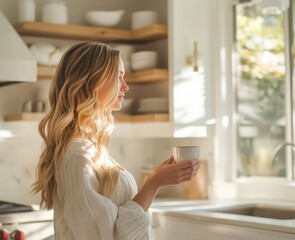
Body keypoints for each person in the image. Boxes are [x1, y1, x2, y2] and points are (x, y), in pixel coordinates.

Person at [32, 42, 200, 240]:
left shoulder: (90, 148)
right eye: (118, 76)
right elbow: (106, 236)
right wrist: (153, 183)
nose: (125, 86)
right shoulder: (77, 156)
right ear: (91, 82)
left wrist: (157, 178)